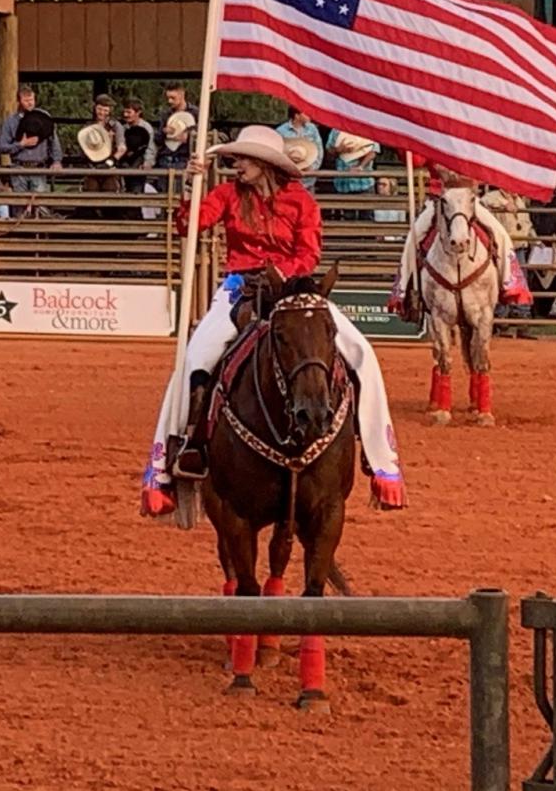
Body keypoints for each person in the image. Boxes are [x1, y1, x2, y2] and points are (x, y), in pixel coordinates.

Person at [141, 124, 406, 517]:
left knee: (361, 352)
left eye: (242, 158)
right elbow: (189, 226)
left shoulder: (300, 201)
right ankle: (175, 458)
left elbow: (309, 251)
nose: (235, 165)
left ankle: (379, 458)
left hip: (294, 288)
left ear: (264, 164)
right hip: (239, 288)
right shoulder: (227, 193)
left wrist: (281, 276)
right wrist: (188, 188)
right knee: (195, 360)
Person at [390, 163, 526, 320]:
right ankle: (406, 293)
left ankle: (509, 286)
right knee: (412, 239)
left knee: (501, 236)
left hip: (468, 200)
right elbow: (419, 160)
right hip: (440, 200)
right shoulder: (435, 140)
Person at [0, 85, 62, 193]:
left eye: (31, 99)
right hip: (19, 168)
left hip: (39, 168)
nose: (30, 103)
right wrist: (21, 144)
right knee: (19, 204)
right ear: (19, 101)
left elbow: (53, 141)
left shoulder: (43, 118)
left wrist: (56, 161)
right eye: (26, 100)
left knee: (40, 204)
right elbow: (2, 147)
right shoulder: (10, 122)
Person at [275, 106, 324, 192]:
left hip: (309, 178)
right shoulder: (281, 131)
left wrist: (312, 168)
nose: (309, 115)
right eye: (305, 113)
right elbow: (276, 152)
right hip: (288, 177)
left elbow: (319, 150)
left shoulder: (312, 129)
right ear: (297, 116)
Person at [155, 83, 197, 172]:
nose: (169, 101)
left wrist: (188, 135)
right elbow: (158, 139)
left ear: (182, 95)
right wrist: (164, 132)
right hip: (165, 159)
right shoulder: (165, 114)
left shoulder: (196, 113)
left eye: (173, 98)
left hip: (184, 159)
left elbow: (203, 134)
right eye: (168, 98)